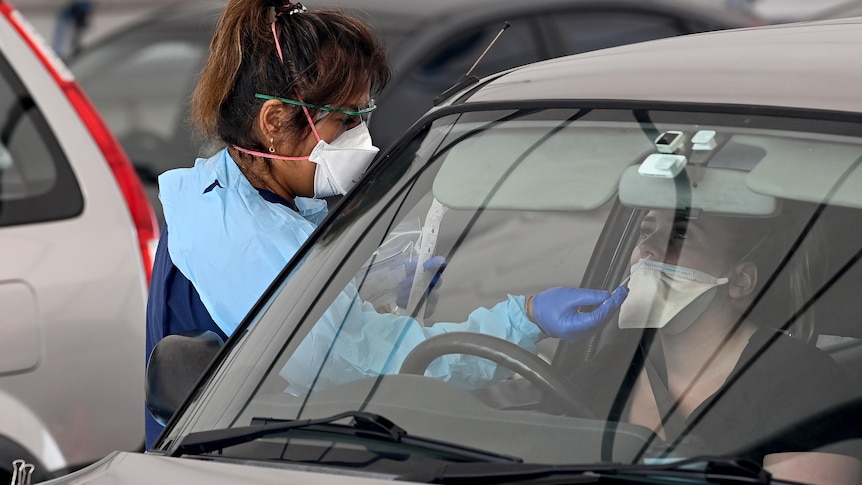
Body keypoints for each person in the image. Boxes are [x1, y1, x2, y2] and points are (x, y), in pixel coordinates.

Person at [144, 0, 626, 448]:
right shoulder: (246, 243)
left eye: (364, 116)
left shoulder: (225, 193)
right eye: (346, 120)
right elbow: (369, 366)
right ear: (273, 122)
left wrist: (362, 287)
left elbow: (280, 327)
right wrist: (523, 317)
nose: (363, 138)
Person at [563, 207, 861, 484]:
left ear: (740, 280)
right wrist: (528, 317)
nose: (646, 247)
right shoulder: (610, 367)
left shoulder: (805, 382)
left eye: (681, 234)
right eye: (645, 231)